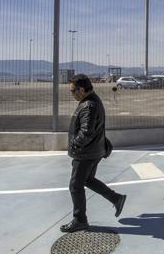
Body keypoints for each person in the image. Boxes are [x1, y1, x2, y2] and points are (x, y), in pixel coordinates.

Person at [60, 74, 127, 233]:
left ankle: (80, 220)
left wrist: (75, 146)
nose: (72, 94)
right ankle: (116, 198)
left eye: (73, 91)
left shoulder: (88, 105)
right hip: (94, 150)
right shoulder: (90, 101)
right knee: (87, 179)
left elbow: (86, 132)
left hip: (86, 153)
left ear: (81, 89)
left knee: (75, 186)